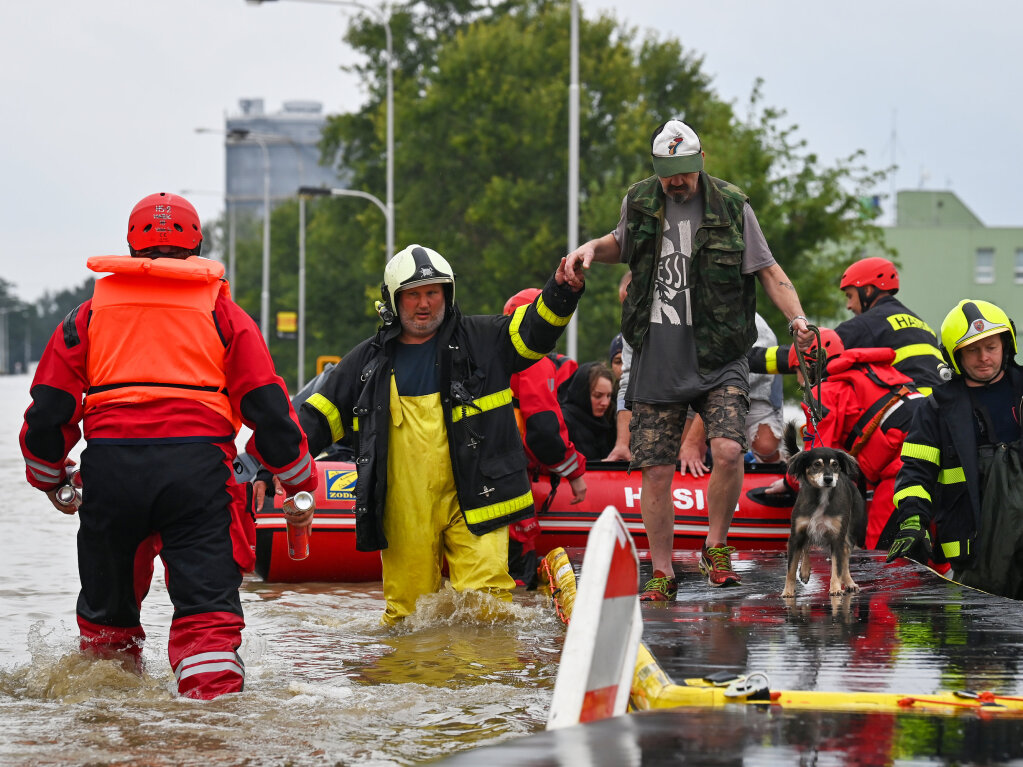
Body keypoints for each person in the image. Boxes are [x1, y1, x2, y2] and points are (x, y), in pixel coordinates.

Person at [19, 192, 318, 700]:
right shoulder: (224, 313)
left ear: (132, 249)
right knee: (207, 627)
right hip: (198, 476)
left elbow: (48, 410)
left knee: (106, 639)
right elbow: (268, 408)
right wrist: (299, 480)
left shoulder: (86, 318)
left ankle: (109, 731)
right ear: (198, 244)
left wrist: (50, 476)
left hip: (112, 476)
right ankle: (210, 728)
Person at [564, 118, 812, 599]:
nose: (676, 181)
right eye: (667, 172)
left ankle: (715, 547)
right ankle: (662, 572)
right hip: (658, 359)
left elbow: (768, 269)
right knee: (655, 468)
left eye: (683, 170)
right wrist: (592, 248)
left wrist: (799, 320)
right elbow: (622, 242)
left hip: (720, 354)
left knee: (726, 449)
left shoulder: (733, 205)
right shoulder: (639, 200)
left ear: (701, 161)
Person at [290, 244, 584, 623]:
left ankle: (485, 683)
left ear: (448, 294)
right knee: (409, 616)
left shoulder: (486, 339)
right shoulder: (367, 362)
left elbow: (536, 332)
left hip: (479, 495)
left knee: (487, 608)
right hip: (403, 506)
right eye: (413, 294)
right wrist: (271, 467)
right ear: (394, 301)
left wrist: (562, 290)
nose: (424, 303)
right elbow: (316, 419)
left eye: (433, 292)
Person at [887, 300, 1023, 599]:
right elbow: (915, 472)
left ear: (1006, 345)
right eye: (972, 350)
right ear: (955, 356)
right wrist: (913, 520)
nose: (983, 358)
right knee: (982, 635)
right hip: (976, 551)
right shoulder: (935, 409)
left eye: (991, 346)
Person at [769, 328, 923, 549]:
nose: (798, 377)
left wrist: (787, 483)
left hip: (902, 471)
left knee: (881, 554)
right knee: (933, 553)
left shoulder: (826, 393)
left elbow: (817, 460)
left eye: (797, 369)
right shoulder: (877, 374)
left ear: (809, 363)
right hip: (935, 462)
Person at [752, 257, 946, 394]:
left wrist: (747, 360)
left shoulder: (869, 324)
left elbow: (811, 353)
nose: (849, 305)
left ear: (868, 291)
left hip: (907, 412)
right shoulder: (923, 326)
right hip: (938, 410)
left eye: (850, 296)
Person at [503, 288, 588, 588]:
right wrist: (574, 471)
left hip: (487, 468)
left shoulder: (495, 353)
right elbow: (543, 432)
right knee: (516, 584)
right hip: (508, 475)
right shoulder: (533, 360)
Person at [559, 361, 617, 461]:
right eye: (597, 396)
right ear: (582, 393)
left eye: (608, 396)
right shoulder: (564, 421)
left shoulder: (606, 420)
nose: (605, 403)